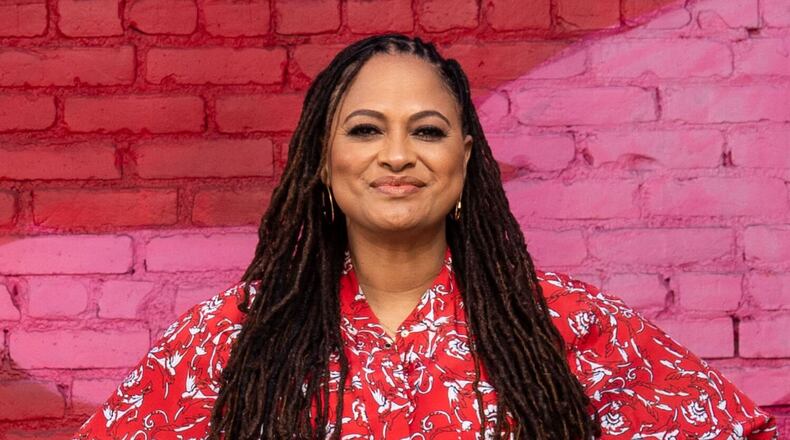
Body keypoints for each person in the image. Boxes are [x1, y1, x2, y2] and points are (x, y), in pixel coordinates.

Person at [72, 34, 777, 440]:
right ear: (322, 159)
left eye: (428, 131)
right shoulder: (234, 338)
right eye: (366, 129)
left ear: (465, 160)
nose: (398, 155)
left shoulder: (566, 328)